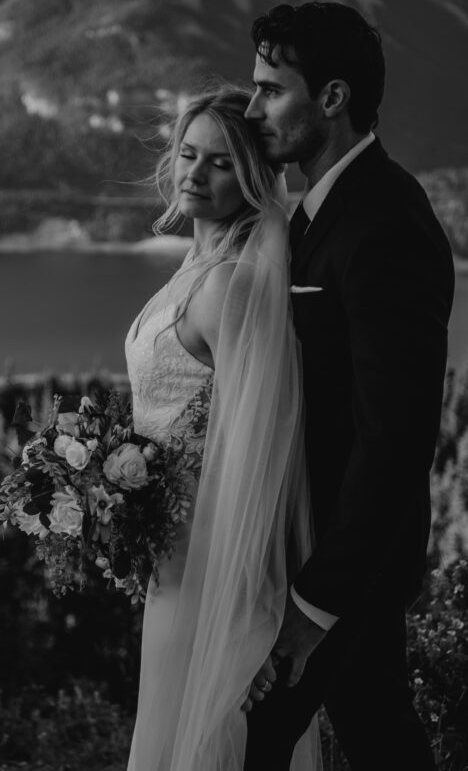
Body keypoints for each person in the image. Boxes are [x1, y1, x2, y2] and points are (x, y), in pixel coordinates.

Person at [243, 1, 455, 771]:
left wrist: (315, 602)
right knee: (378, 732)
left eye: (271, 89)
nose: (252, 106)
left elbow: (394, 438)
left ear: (332, 98)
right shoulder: (319, 213)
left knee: (252, 739)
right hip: (315, 549)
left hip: (343, 567)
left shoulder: (385, 224)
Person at [125, 86, 320, 771]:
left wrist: (248, 601)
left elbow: (261, 447)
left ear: (256, 177)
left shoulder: (232, 285)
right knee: (168, 715)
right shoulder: (196, 265)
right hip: (168, 544)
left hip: (210, 552)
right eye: (188, 154)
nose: (195, 175)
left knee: (204, 729)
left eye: (221, 163)